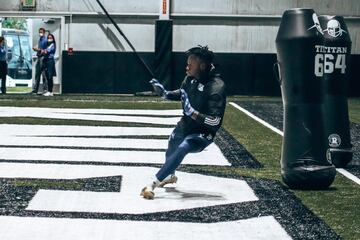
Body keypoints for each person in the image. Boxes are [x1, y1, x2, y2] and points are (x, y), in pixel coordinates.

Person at [141, 45, 226, 200]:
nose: (186, 67)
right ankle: (169, 176)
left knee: (184, 146)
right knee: (172, 144)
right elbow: (182, 93)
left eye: (190, 65)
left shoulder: (216, 87)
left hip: (202, 133)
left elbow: (215, 121)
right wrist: (166, 94)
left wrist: (193, 113)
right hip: (186, 124)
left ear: (201, 66)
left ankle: (152, 184)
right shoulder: (190, 78)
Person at [31, 28, 47, 94]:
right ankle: (35, 89)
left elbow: (45, 50)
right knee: (37, 74)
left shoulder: (45, 40)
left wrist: (38, 50)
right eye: (39, 32)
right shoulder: (40, 40)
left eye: (41, 32)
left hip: (43, 58)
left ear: (44, 32)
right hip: (39, 57)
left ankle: (45, 90)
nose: (40, 33)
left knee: (44, 75)